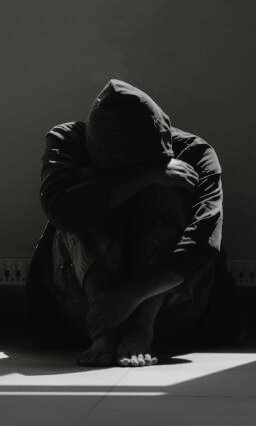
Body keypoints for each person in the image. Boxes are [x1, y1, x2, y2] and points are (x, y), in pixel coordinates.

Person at [25, 78, 242, 367]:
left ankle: (141, 324)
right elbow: (60, 211)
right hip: (88, 311)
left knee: (172, 184)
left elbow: (204, 241)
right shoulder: (67, 141)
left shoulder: (194, 151)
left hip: (169, 311)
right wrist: (143, 177)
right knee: (79, 196)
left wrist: (129, 298)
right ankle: (106, 330)